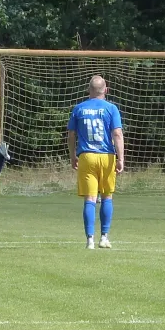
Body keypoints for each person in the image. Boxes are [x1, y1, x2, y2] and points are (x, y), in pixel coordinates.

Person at [67, 75, 124, 250]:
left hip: (86, 157)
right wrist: (121, 158)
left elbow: (71, 135)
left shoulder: (78, 108)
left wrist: (72, 155)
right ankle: (104, 237)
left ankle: (90, 240)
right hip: (106, 156)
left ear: (88, 90)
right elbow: (117, 134)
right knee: (107, 196)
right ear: (106, 90)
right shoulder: (111, 108)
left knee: (90, 199)